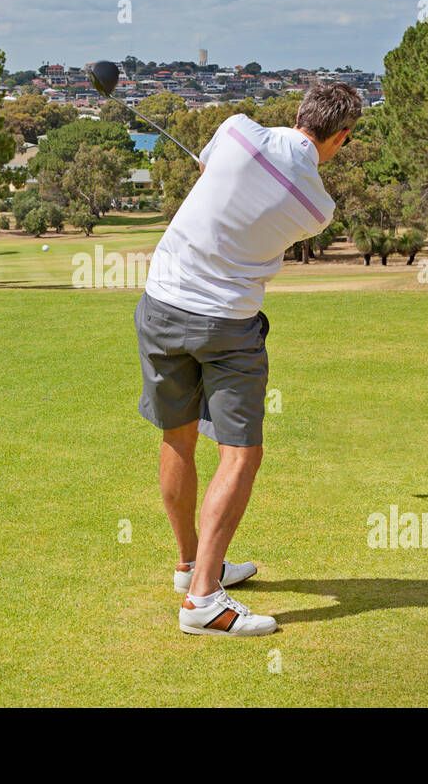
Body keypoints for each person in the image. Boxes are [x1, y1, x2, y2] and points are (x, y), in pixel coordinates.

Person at [133, 82, 363, 636]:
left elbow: (219, 173)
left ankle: (192, 565)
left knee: (177, 438)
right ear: (342, 137)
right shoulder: (318, 208)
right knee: (241, 455)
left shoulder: (235, 128)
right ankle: (203, 602)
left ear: (299, 112)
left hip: (159, 305)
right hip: (226, 325)